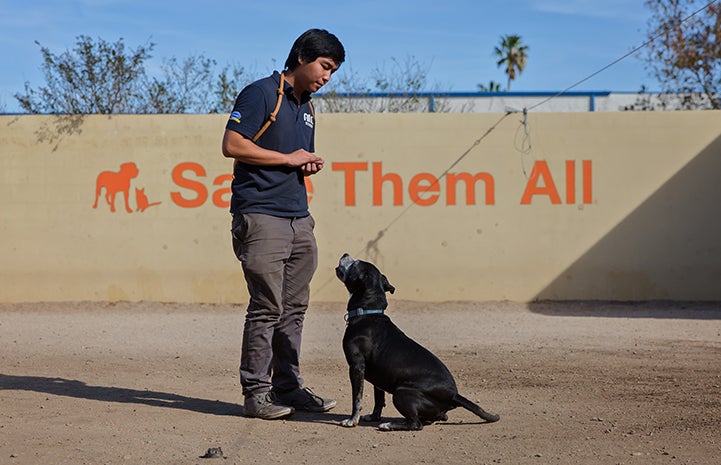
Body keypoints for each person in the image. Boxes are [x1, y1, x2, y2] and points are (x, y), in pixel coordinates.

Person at [221, 28, 345, 420]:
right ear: (302, 57)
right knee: (267, 306)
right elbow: (232, 144)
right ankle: (256, 394)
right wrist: (290, 159)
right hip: (260, 215)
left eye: (334, 71)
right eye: (325, 66)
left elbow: (287, 157)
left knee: (294, 308)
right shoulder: (260, 93)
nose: (327, 77)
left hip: (299, 219)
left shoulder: (307, 108)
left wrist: (303, 163)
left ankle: (287, 388)